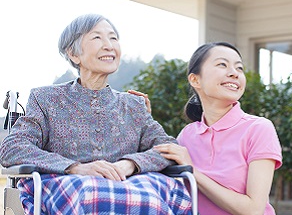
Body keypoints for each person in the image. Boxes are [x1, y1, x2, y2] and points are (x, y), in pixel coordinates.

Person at [0, 14, 192, 215]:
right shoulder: (46, 98)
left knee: (151, 196)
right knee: (89, 193)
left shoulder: (133, 105)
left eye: (113, 38)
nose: (109, 45)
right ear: (73, 54)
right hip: (71, 191)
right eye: (97, 38)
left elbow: (169, 148)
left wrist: (130, 164)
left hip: (130, 192)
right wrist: (74, 167)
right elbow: (12, 148)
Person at [130, 42, 282, 214]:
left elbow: (253, 210)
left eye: (239, 68)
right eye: (222, 64)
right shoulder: (187, 135)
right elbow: (158, 167)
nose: (234, 73)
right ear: (195, 79)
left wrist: (192, 171)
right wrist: (142, 122)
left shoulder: (258, 128)